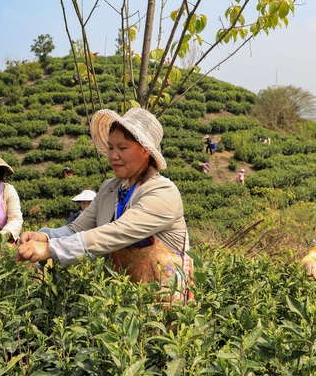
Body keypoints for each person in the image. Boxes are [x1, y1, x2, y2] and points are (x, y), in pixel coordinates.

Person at [16, 108, 192, 302]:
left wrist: (52, 249)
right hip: (123, 302)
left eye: (122, 148)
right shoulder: (110, 189)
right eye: (110, 148)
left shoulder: (162, 193)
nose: (113, 156)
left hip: (164, 307)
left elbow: (116, 232)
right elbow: (77, 229)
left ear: (146, 151)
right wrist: (45, 236)